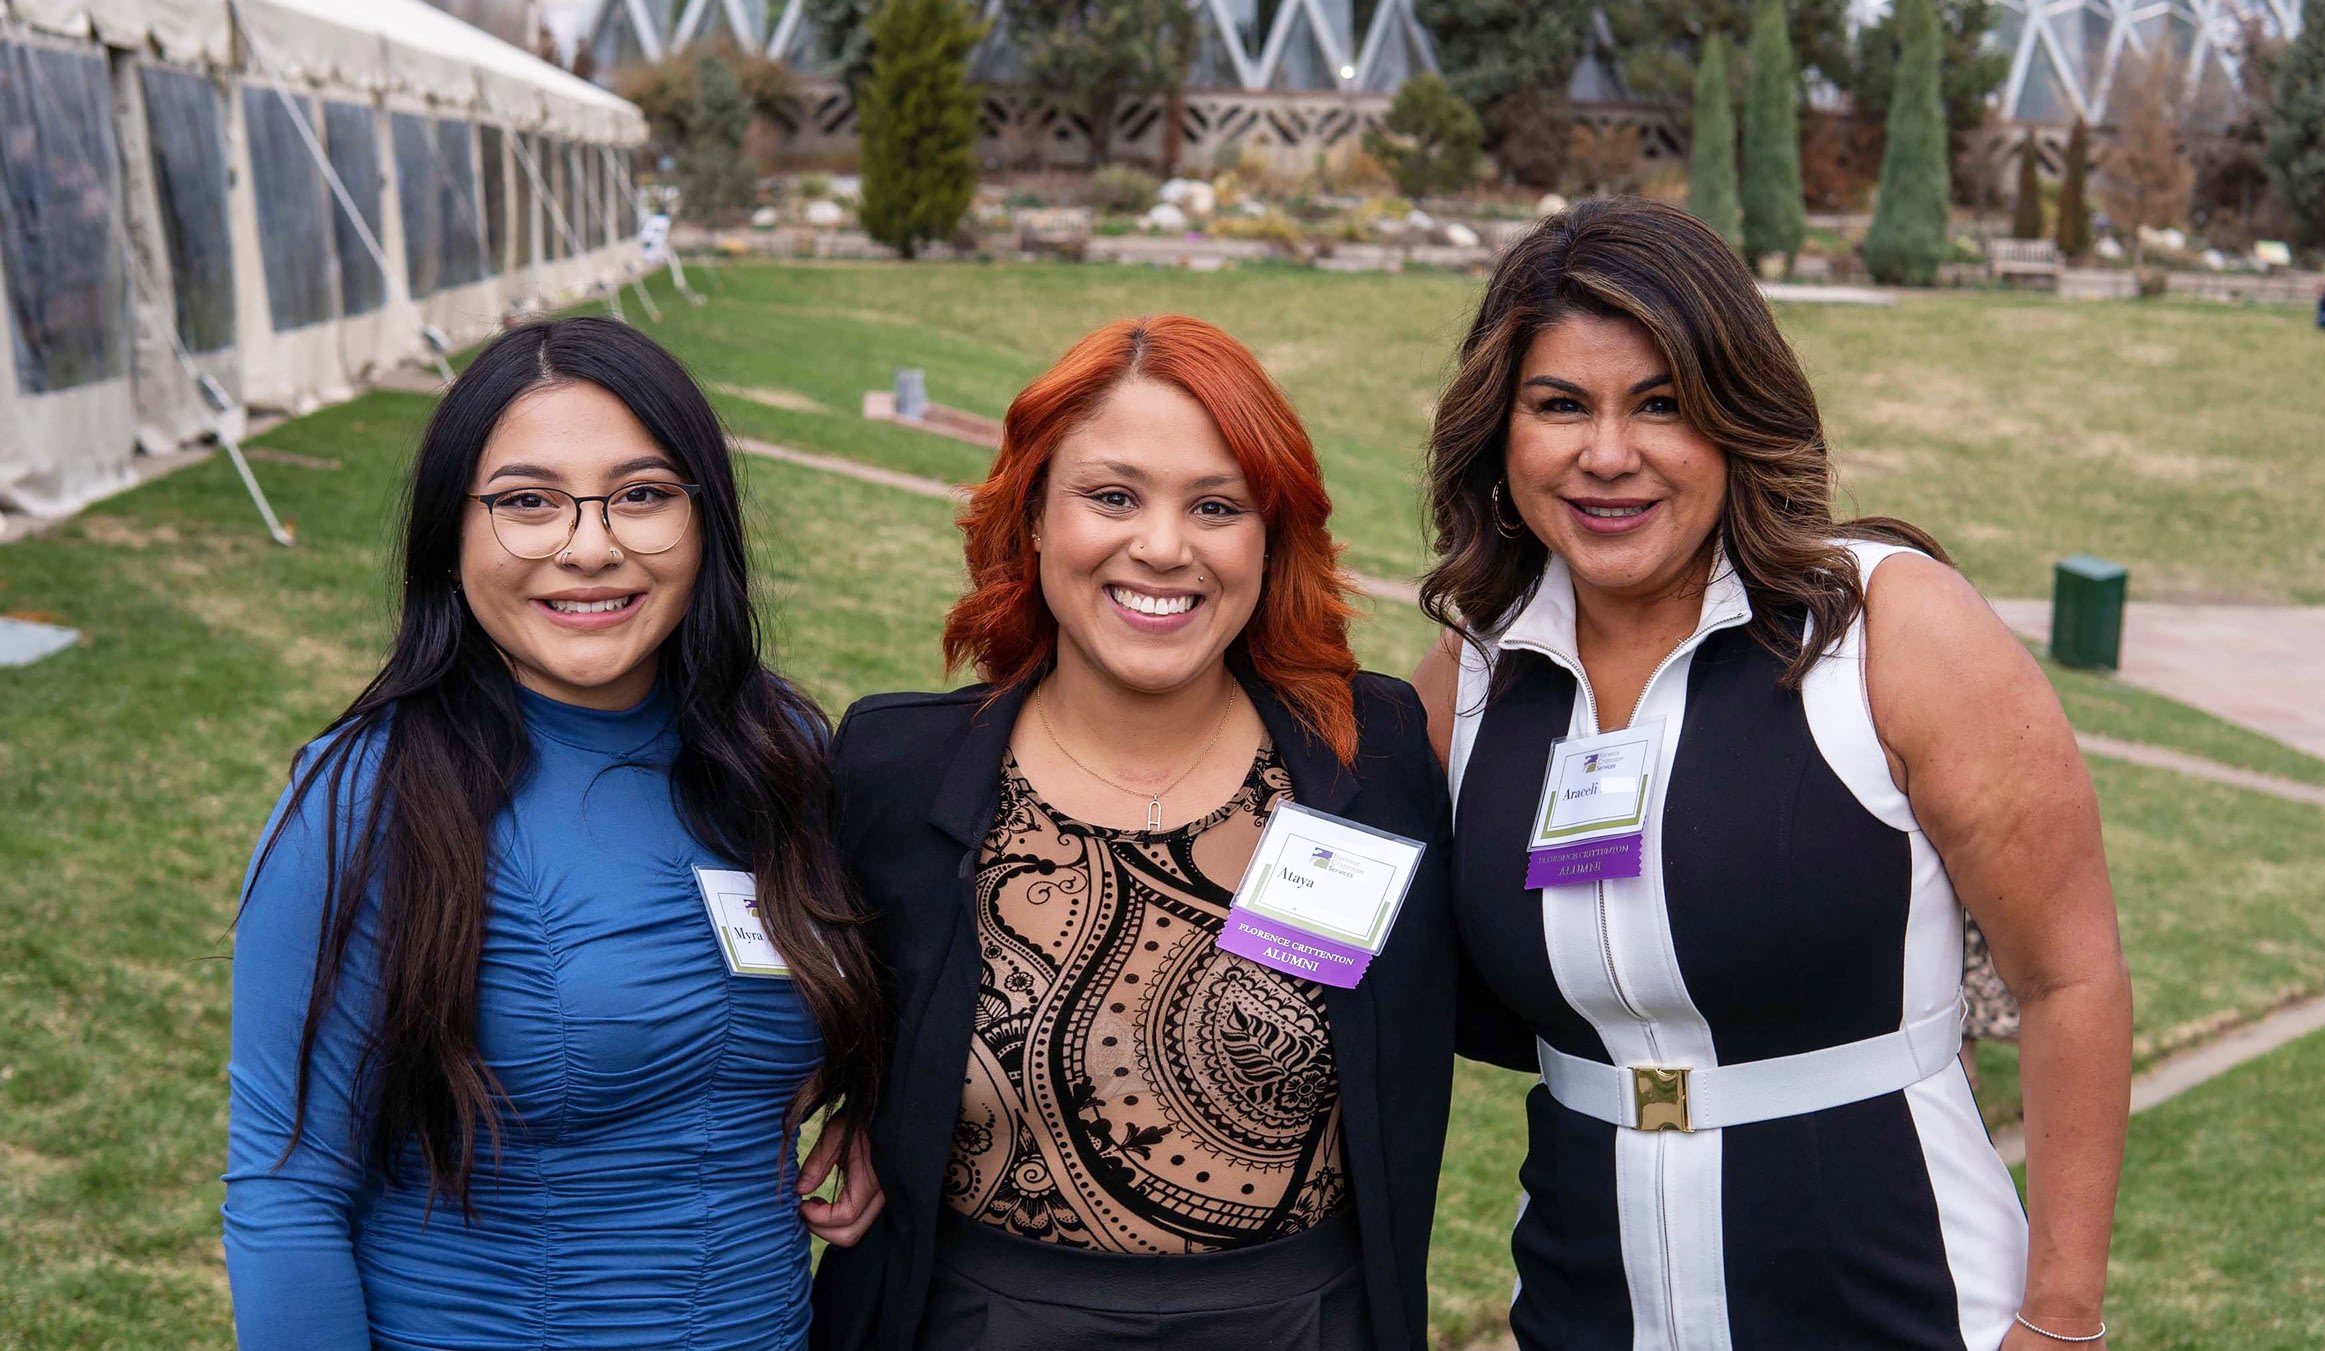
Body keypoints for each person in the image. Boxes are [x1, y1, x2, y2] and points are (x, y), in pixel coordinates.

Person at [1411, 197, 2132, 1350]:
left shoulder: (1887, 625)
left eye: (1661, 405)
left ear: (1736, 419)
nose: (1608, 454)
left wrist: (2060, 1320)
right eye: (1560, 406)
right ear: (1502, 434)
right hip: (1586, 1307)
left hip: (1900, 1301)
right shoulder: (1475, 674)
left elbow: (2071, 980)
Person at [223, 317, 885, 1349]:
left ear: (704, 523)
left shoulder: (778, 749)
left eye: (642, 495)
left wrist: (873, 1108)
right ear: (453, 534)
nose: (589, 546)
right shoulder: (365, 796)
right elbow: (284, 1191)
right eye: (527, 502)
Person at [812, 315, 1457, 1351]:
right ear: (1031, 514)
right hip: (979, 1322)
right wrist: (862, 1103)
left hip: (1305, 1323)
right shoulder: (890, 771)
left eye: (1216, 505)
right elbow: (807, 1010)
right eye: (1112, 496)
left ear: (1269, 535)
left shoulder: (1371, 757)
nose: (1163, 546)